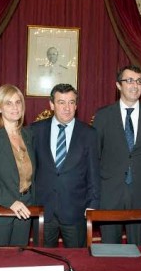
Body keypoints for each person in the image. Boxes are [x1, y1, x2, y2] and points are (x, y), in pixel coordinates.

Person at [92, 65, 141, 245]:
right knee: (109, 251)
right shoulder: (103, 116)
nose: (135, 85)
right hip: (110, 194)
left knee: (140, 253)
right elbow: (95, 155)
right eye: (129, 80)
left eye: (139, 81)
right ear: (118, 85)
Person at [31, 83, 100, 248]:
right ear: (52, 105)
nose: (67, 108)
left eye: (71, 102)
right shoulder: (35, 130)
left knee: (79, 263)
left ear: (76, 105)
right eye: (61, 102)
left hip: (76, 211)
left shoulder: (89, 133)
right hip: (42, 210)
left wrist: (93, 205)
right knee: (43, 263)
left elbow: (93, 173)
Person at [0, 84, 35, 246]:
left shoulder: (28, 134)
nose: (15, 107)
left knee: (19, 263)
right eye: (8, 103)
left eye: (18, 102)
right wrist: (10, 201)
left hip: (25, 208)